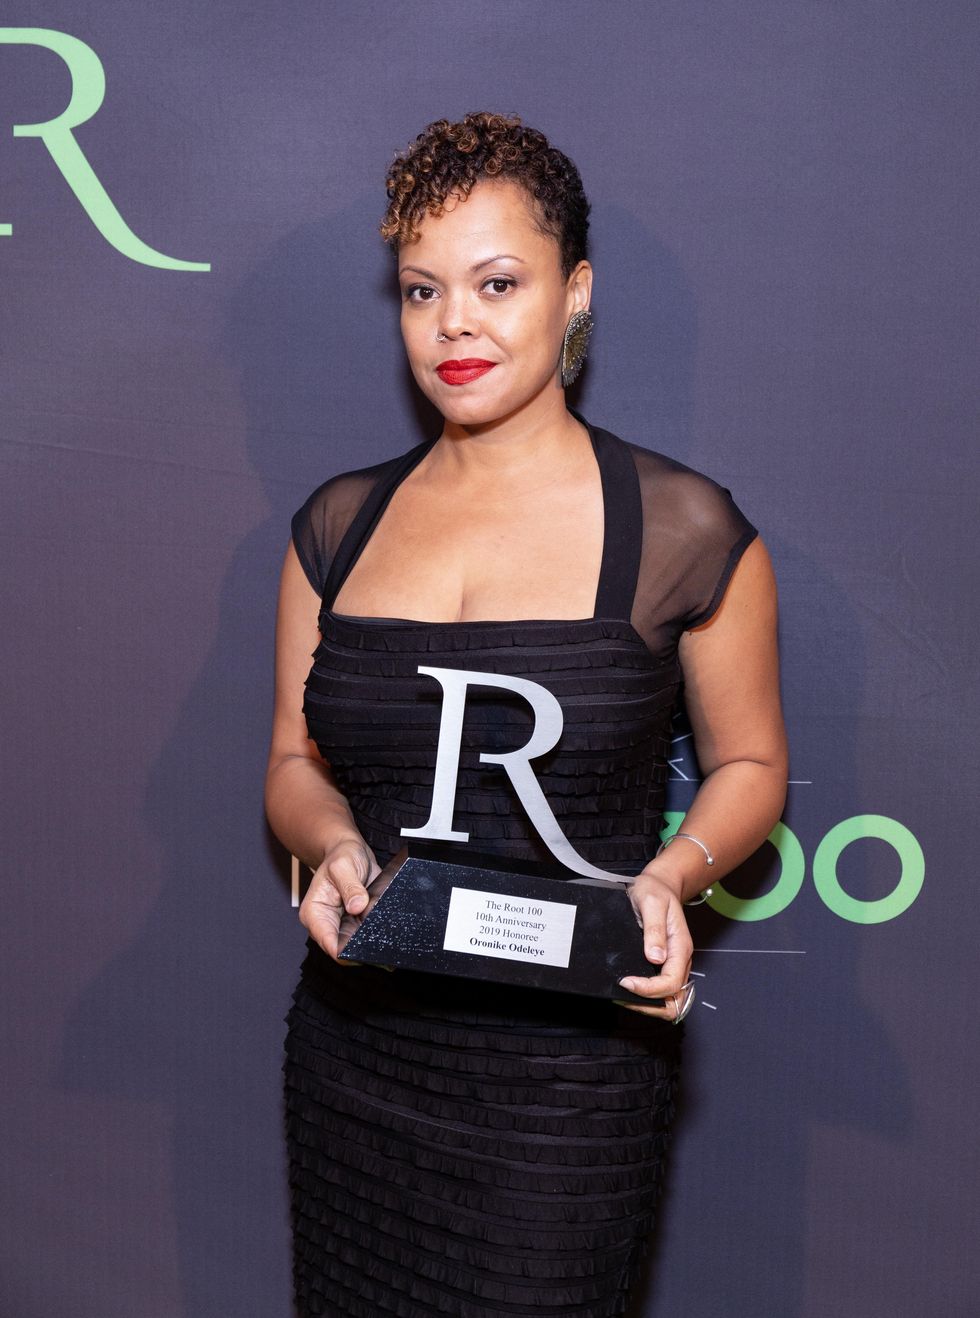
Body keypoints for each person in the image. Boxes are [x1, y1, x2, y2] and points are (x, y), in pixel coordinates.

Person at [265, 111, 787, 1317]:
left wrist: (672, 877)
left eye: (496, 283)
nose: (454, 322)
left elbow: (752, 762)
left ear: (574, 292)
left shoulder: (682, 530)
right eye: (422, 290)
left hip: (568, 1078)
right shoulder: (336, 527)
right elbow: (291, 758)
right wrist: (332, 843)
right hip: (358, 1050)